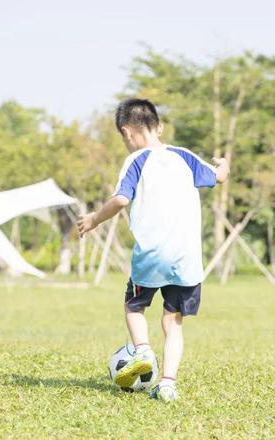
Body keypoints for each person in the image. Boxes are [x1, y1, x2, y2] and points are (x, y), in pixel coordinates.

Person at [77, 98, 230, 402]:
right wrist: (224, 165)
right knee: (172, 321)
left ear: (127, 132)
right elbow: (219, 176)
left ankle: (143, 351)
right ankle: (168, 384)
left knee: (134, 306)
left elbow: (121, 199)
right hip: (187, 258)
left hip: (152, 254)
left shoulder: (136, 160)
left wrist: (94, 218)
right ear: (158, 127)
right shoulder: (184, 156)